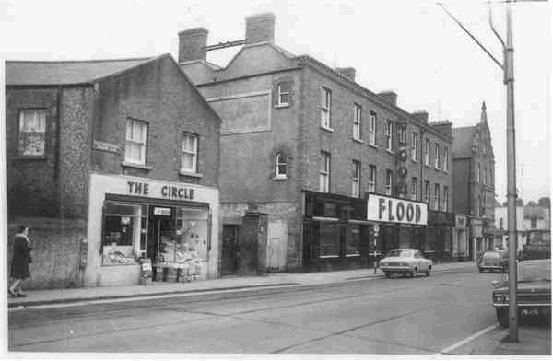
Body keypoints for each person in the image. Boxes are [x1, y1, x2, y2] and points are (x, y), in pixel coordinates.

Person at [9, 225, 32, 297]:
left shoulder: (17, 238)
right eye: (27, 231)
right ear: (24, 231)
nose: (27, 232)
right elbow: (25, 250)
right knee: (23, 276)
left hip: (17, 259)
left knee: (18, 275)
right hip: (22, 260)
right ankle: (12, 288)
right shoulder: (23, 239)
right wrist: (29, 249)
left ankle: (19, 291)